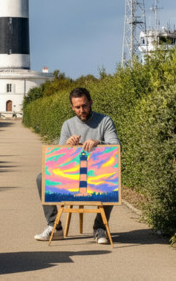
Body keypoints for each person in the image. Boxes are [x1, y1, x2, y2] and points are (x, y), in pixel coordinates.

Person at [34, 87, 120, 244]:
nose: (82, 110)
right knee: (42, 178)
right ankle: (54, 226)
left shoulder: (105, 121)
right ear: (72, 107)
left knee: (112, 177)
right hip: (72, 174)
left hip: (97, 174)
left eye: (85, 105)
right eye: (78, 107)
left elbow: (115, 146)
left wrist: (98, 142)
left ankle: (99, 227)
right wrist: (68, 146)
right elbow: (59, 159)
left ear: (91, 102)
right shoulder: (67, 125)